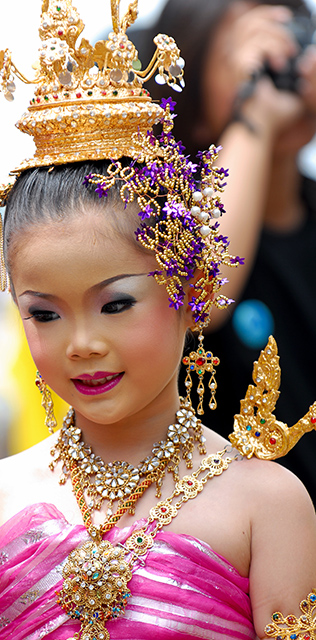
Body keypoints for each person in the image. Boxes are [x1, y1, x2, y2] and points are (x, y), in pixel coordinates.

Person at [0, 1, 316, 639]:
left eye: (116, 303)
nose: (83, 343)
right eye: (44, 313)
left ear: (192, 288)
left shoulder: (269, 505)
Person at [132, 0, 316, 503]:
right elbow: (200, 298)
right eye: (252, 49)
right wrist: (252, 119)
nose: (281, 62)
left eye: (293, 35)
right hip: (239, 547)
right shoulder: (162, 229)